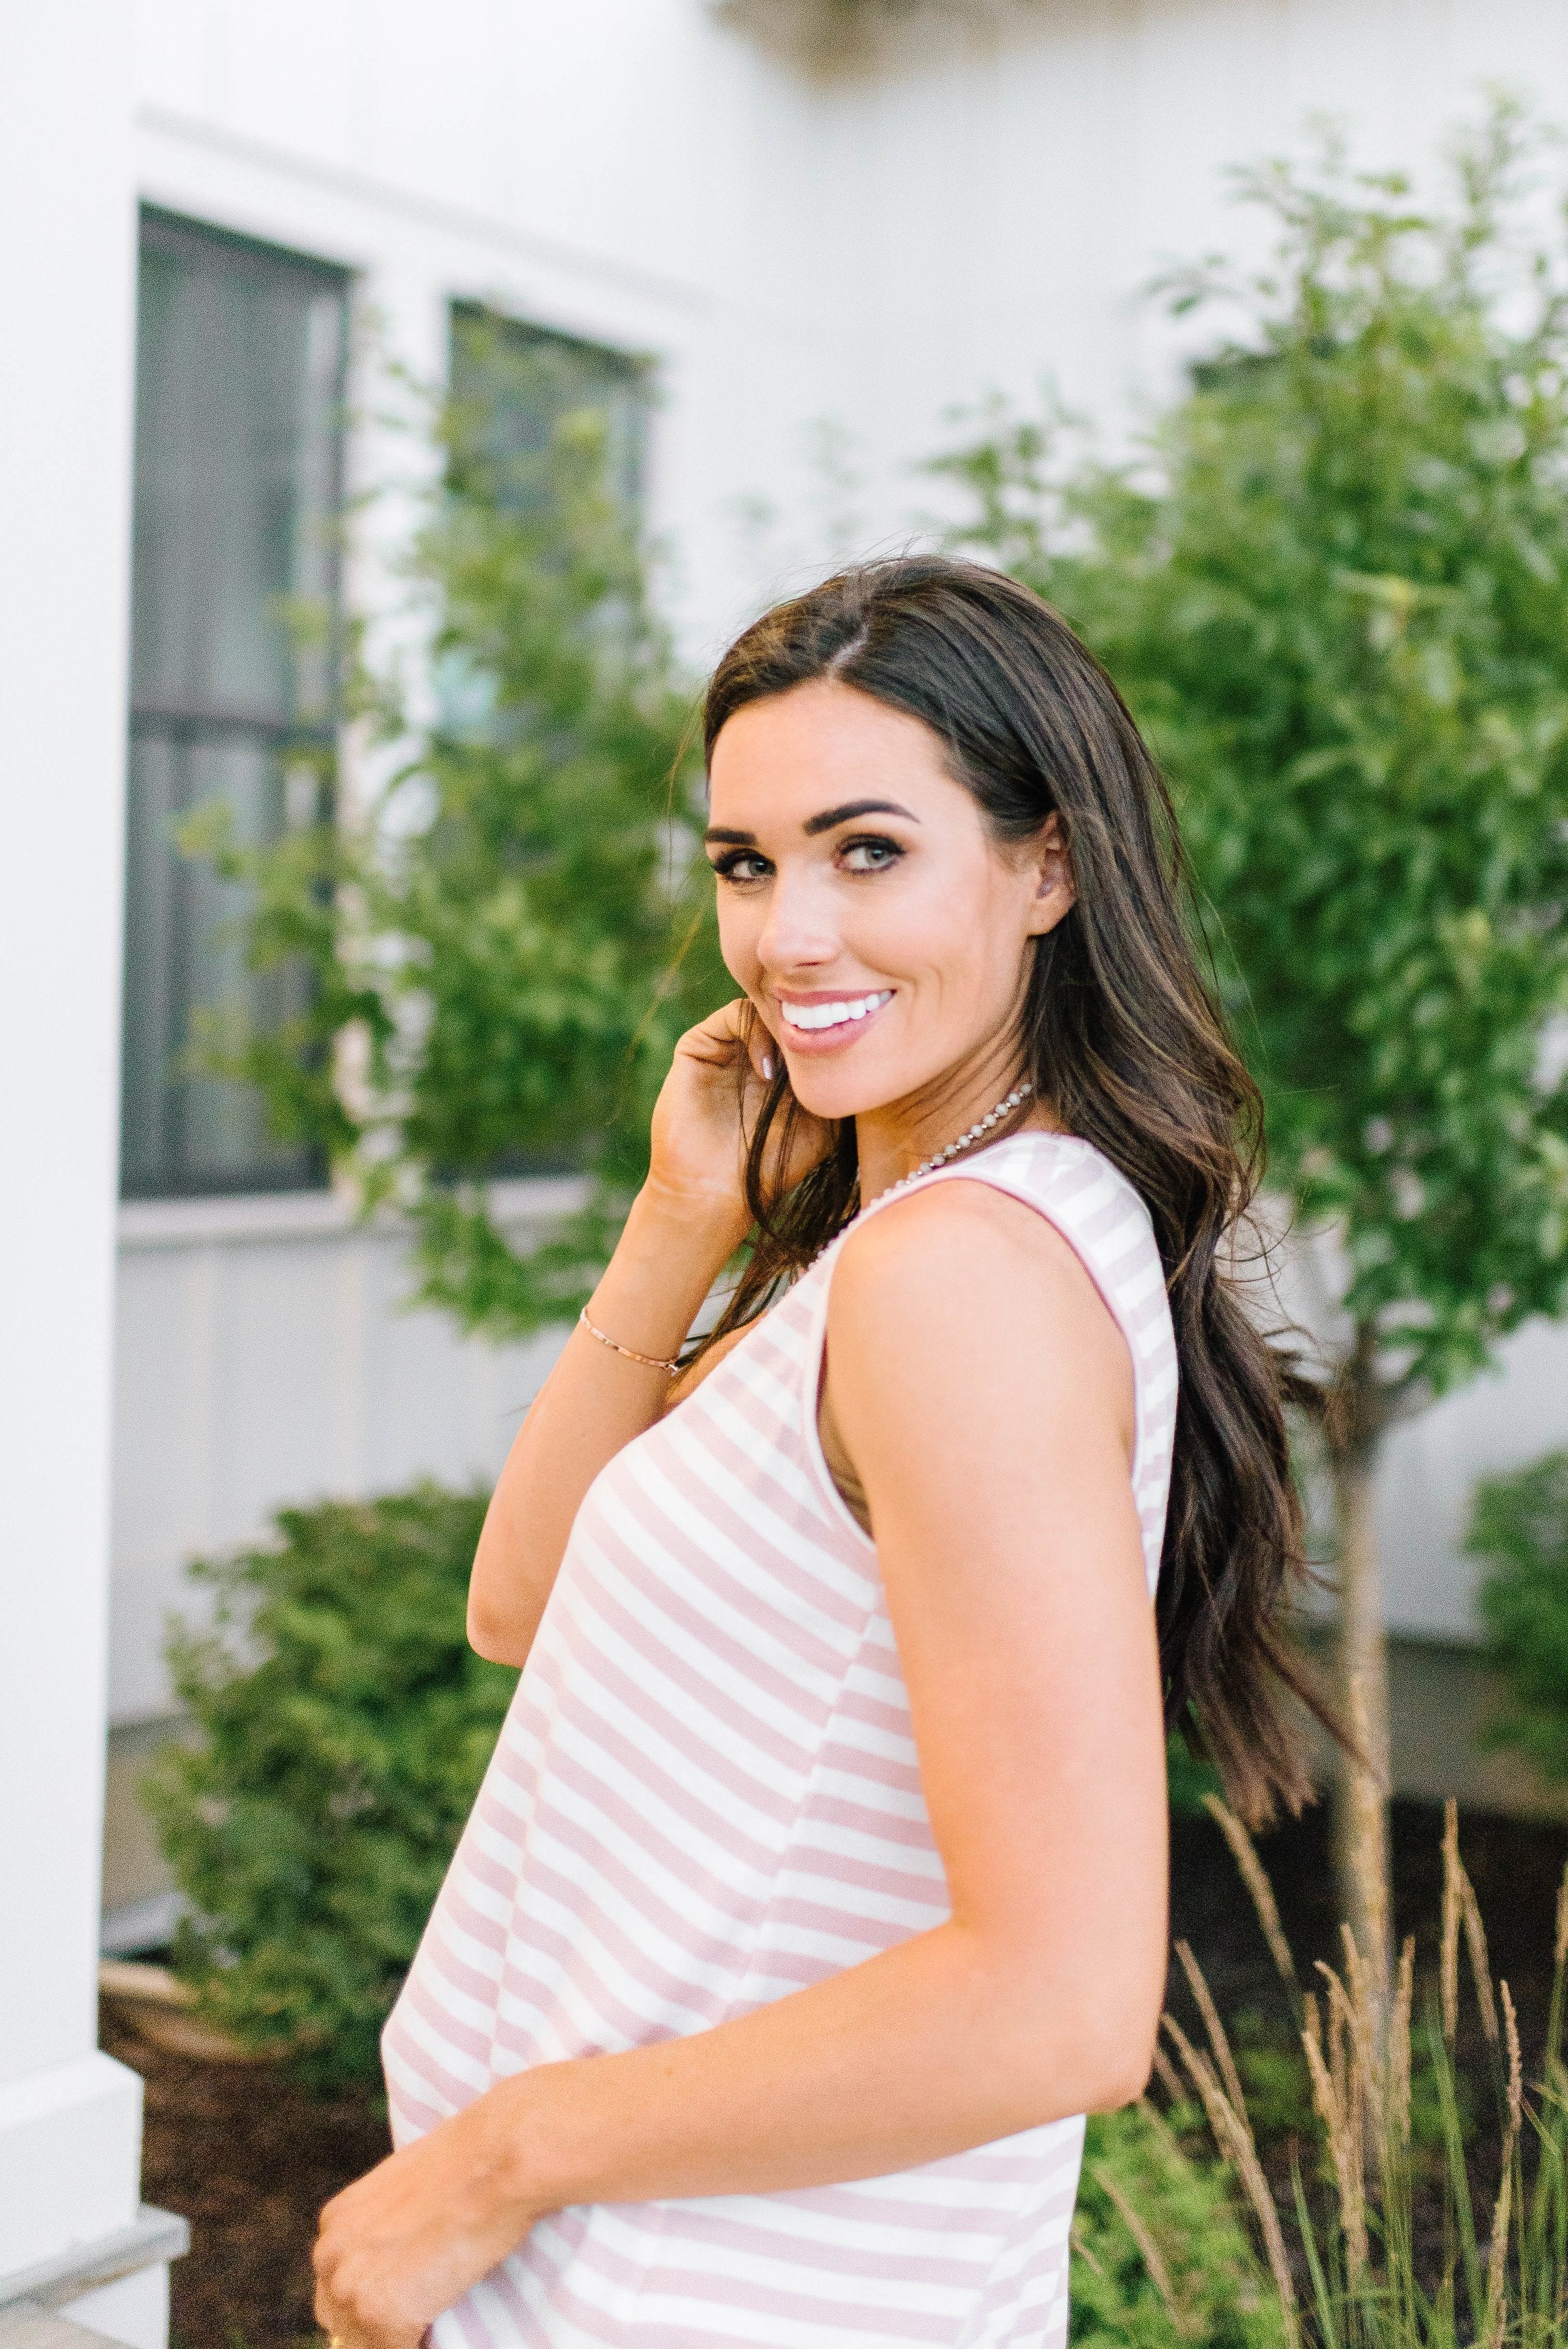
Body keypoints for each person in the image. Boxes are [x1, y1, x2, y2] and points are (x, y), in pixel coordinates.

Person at [313, 557, 1315, 2349]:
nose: (788, 938)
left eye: (868, 852)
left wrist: (495, 2160)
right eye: (744, 862)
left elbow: (1065, 2000)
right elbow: (521, 1604)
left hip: (725, 2294)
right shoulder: (917, 1243)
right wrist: (678, 1209)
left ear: (1045, 867)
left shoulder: (958, 1280)